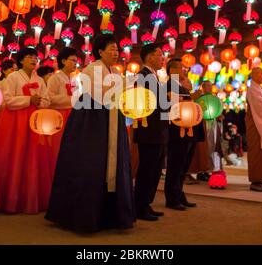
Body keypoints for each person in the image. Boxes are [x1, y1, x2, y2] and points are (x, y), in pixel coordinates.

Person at [45, 34, 135, 232]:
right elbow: (97, 94)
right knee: (90, 163)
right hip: (91, 120)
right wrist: (118, 89)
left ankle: (110, 214)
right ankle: (83, 215)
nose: (115, 52)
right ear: (100, 51)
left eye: (117, 49)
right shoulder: (90, 69)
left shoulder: (115, 71)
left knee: (112, 164)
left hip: (112, 117)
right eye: (111, 49)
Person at [0, 48, 51, 214]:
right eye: (29, 57)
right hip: (16, 121)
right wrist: (28, 100)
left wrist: (40, 102)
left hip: (35, 120)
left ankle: (32, 197)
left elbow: (47, 100)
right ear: (21, 61)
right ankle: (12, 198)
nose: (33, 60)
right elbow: (7, 100)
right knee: (16, 154)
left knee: (34, 156)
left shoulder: (39, 80)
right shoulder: (12, 77)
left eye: (35, 57)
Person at [133, 43, 169, 221]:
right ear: (149, 57)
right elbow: (146, 103)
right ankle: (139, 206)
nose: (163, 58)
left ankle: (146, 203)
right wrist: (167, 100)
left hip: (159, 129)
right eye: (159, 54)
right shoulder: (142, 76)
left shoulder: (154, 76)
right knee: (147, 169)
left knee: (155, 169)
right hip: (149, 130)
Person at [164, 58, 198, 211]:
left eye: (184, 68)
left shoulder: (181, 86)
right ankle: (172, 197)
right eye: (180, 68)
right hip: (176, 131)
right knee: (175, 165)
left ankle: (179, 193)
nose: (184, 70)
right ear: (172, 70)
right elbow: (170, 109)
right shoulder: (169, 86)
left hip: (187, 129)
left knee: (183, 166)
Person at [46, 47, 78, 164]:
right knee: (58, 146)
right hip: (59, 116)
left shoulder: (74, 79)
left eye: (76, 61)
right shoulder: (55, 78)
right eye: (73, 60)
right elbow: (49, 99)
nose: (76, 64)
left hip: (72, 115)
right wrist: (72, 99)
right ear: (63, 61)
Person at [187, 80, 224, 183]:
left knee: (212, 148)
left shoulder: (215, 99)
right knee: (203, 148)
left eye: (210, 85)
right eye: (206, 85)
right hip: (202, 125)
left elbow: (218, 111)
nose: (208, 87)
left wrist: (219, 115)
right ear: (202, 88)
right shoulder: (199, 99)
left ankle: (208, 170)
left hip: (213, 124)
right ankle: (201, 171)